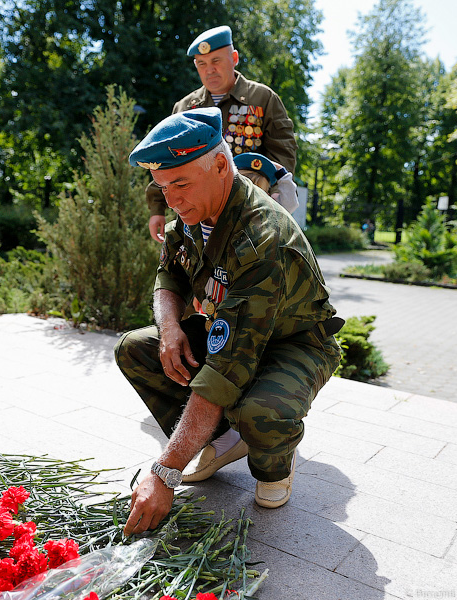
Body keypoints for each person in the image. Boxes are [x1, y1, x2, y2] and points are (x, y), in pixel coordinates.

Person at [116, 108, 343, 535]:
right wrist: (170, 329)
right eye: (163, 187)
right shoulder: (192, 213)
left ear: (221, 165)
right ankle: (219, 439)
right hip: (234, 331)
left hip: (291, 343)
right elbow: (169, 275)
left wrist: (165, 473)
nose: (173, 200)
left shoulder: (262, 237)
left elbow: (226, 369)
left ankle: (274, 459)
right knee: (137, 349)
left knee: (260, 409)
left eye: (180, 183)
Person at [146, 25, 299, 242]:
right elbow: (165, 163)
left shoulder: (263, 98)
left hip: (250, 212)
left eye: (216, 61)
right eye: (202, 63)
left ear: (234, 58)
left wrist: (277, 194)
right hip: (198, 215)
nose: (209, 70)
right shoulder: (185, 108)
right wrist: (157, 208)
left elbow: (283, 152)